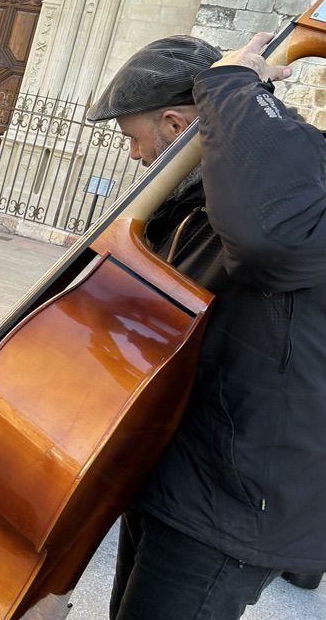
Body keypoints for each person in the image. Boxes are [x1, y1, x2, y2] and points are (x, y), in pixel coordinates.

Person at [86, 34, 326, 619]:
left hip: (234, 500)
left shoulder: (296, 176)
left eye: (133, 140)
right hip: (181, 468)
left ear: (174, 123)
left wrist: (231, 83)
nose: (134, 157)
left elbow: (272, 242)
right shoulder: (199, 199)